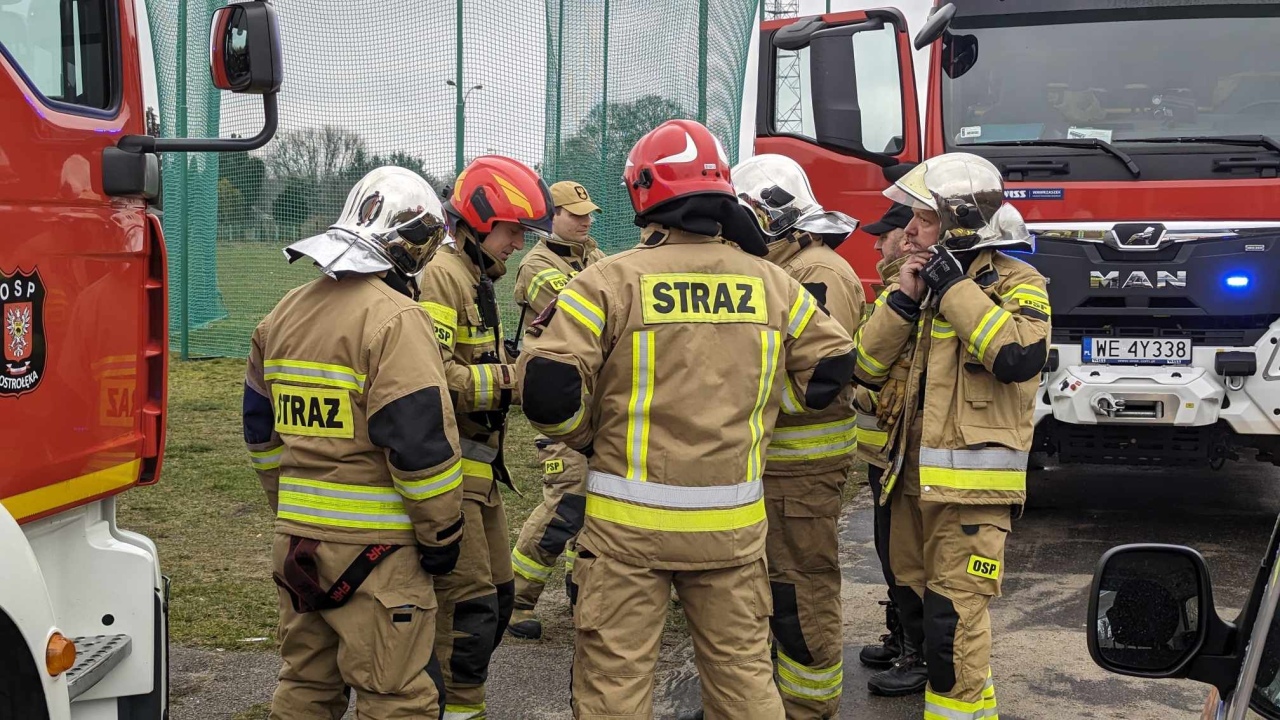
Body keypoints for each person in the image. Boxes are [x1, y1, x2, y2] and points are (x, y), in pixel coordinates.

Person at [517, 119, 857, 720]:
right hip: (733, 530)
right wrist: (767, 409)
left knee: (615, 689)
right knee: (745, 684)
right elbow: (832, 367)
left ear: (643, 192)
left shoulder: (606, 280)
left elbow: (548, 390)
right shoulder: (773, 283)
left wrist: (585, 436)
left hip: (627, 533)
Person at [244, 166, 464, 719]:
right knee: (396, 698)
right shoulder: (395, 320)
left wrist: (292, 507)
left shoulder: (282, 316)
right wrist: (442, 537)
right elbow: (420, 449)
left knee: (305, 687)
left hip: (297, 549)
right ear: (411, 244)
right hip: (378, 557)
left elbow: (260, 434)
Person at [853, 153, 1049, 720]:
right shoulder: (908, 284)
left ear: (960, 222)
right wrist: (905, 300)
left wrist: (954, 288)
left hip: (971, 499)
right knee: (917, 615)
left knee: (953, 626)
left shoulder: (1019, 283)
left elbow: (1016, 355)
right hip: (907, 485)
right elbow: (863, 367)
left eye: (923, 218)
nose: (907, 230)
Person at [418, 155, 555, 720]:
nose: (519, 244)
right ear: (477, 221)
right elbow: (428, 379)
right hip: (453, 474)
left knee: (498, 604)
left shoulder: (478, 279)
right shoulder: (442, 278)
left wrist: (524, 355)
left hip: (482, 476)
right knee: (469, 616)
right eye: (512, 230)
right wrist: (510, 379)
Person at [732, 153, 862, 719]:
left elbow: (819, 380)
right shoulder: (793, 269)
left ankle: (809, 708)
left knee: (800, 591)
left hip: (801, 469)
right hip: (780, 468)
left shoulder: (817, 273)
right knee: (772, 590)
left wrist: (739, 407)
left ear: (768, 216)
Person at [507, 180, 608, 640]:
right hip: (561, 405)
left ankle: (578, 587)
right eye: (576, 214)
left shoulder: (591, 254)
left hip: (595, 402)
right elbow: (585, 312)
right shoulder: (538, 265)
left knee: (593, 501)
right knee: (566, 502)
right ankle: (514, 599)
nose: (585, 221)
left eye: (588, 213)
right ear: (551, 217)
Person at [855, 202, 932, 696]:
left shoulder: (919, 291)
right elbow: (866, 364)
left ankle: (919, 650)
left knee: (911, 557)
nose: (884, 241)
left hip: (914, 452)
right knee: (893, 553)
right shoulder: (896, 290)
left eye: (889, 233)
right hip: (886, 451)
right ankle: (905, 636)